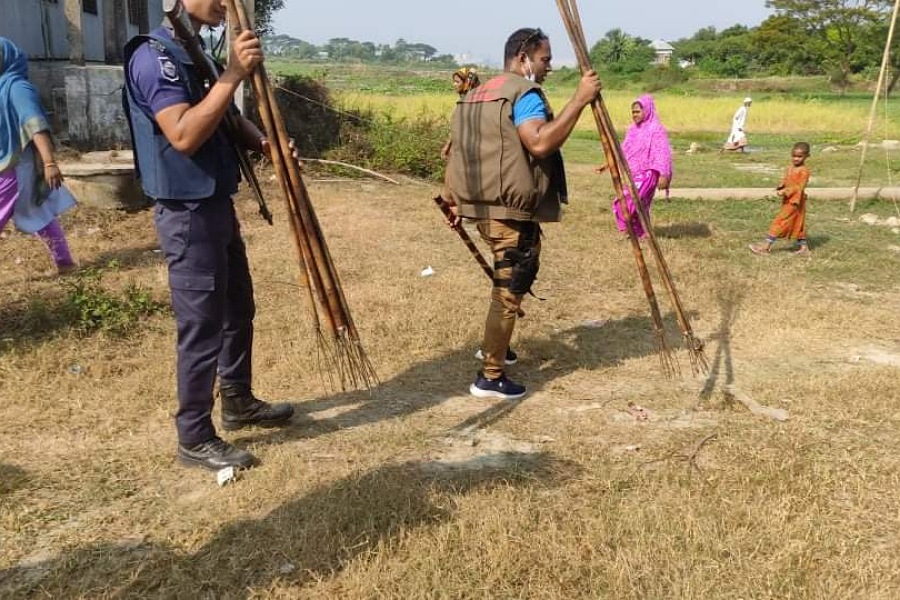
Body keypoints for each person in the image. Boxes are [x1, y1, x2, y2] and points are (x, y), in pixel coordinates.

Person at [122, 0, 294, 471]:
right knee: (201, 326)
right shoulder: (153, 56)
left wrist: (264, 142)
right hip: (186, 213)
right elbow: (181, 133)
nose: (227, 3)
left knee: (238, 308)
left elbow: (226, 118)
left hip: (216, 202)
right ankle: (194, 435)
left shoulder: (194, 50)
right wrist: (233, 75)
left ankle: (237, 400)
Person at [444, 27, 601, 400]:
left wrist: (451, 198)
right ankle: (490, 376)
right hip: (510, 212)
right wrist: (579, 100)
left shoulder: (476, 94)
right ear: (523, 57)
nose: (548, 67)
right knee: (509, 292)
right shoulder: (524, 93)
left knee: (506, 284)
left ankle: (495, 346)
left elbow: (453, 150)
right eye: (544, 59)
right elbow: (540, 142)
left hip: (480, 207)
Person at [0, 36, 77, 275]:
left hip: (15, 167)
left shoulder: (16, 87)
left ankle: (65, 263)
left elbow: (36, 125)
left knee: (33, 211)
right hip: (8, 164)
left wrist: (49, 162)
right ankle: (65, 263)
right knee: (37, 212)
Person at [600, 94, 672, 239]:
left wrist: (664, 175)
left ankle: (637, 231)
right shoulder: (633, 130)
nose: (634, 115)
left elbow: (662, 153)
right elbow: (624, 150)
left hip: (649, 174)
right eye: (633, 112)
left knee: (627, 201)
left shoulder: (656, 129)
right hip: (633, 173)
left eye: (637, 111)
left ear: (647, 110)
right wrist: (609, 163)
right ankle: (641, 233)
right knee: (640, 205)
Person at [749, 142, 812, 256]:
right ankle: (804, 248)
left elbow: (799, 187)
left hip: (795, 201)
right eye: (794, 156)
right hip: (788, 200)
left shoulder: (804, 171)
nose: (796, 159)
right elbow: (786, 179)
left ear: (806, 156)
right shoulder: (789, 168)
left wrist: (786, 191)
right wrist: (781, 186)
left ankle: (765, 247)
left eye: (799, 156)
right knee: (797, 223)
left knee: (780, 221)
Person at [441, 67, 480, 161]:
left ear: (466, 83)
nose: (454, 84)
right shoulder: (464, 100)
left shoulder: (468, 103)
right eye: (454, 81)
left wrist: (447, 145)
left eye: (457, 82)